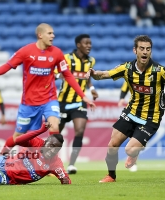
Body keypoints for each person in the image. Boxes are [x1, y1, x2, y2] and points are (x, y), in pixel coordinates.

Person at [0, 23, 96, 156]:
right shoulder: (26, 51)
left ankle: (50, 163)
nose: (53, 36)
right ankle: (1, 156)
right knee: (17, 137)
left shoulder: (57, 53)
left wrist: (83, 96)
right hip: (29, 103)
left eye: (53, 33)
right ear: (40, 35)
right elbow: (8, 65)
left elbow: (68, 75)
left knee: (54, 126)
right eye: (50, 33)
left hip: (49, 99)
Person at [85, 35, 165, 182]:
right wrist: (94, 74)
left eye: (148, 49)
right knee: (112, 145)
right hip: (131, 112)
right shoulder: (127, 68)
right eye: (142, 48)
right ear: (135, 50)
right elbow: (104, 74)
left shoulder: (159, 71)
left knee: (130, 149)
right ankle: (111, 176)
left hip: (150, 118)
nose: (145, 52)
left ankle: (133, 155)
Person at [0, 122, 71, 185]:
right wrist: (40, 130)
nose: (52, 151)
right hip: (1, 161)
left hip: (7, 178)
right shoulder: (37, 143)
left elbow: (65, 179)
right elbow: (18, 140)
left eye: (56, 149)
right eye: (51, 146)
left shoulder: (55, 163)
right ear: (45, 142)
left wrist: (65, 180)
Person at [55, 34, 98, 174]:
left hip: (79, 102)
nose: (89, 46)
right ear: (78, 45)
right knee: (56, 135)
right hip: (62, 101)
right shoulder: (67, 58)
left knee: (80, 130)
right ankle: (48, 163)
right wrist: (60, 75)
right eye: (86, 43)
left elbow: (87, 77)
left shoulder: (91, 61)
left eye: (90, 43)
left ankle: (72, 164)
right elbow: (55, 72)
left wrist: (92, 89)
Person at [118, 81, 138, 172]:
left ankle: (134, 155)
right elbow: (126, 85)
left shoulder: (156, 73)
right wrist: (122, 98)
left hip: (151, 112)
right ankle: (133, 158)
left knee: (140, 139)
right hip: (134, 110)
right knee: (133, 136)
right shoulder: (132, 72)